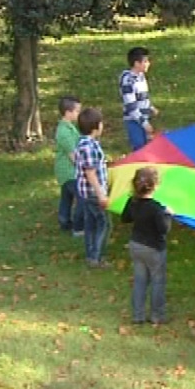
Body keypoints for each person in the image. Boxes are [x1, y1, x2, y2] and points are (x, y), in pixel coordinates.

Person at [121, 167, 174, 325]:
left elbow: (125, 218)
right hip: (154, 249)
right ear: (155, 185)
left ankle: (138, 315)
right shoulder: (156, 208)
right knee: (158, 281)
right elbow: (163, 230)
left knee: (139, 281)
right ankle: (157, 315)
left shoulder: (133, 202)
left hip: (136, 245)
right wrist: (168, 215)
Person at [75, 107, 111, 268]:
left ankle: (90, 254)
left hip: (85, 192)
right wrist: (101, 194)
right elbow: (90, 173)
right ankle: (96, 257)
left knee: (90, 222)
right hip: (93, 192)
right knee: (104, 224)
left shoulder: (84, 143)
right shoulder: (89, 147)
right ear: (96, 127)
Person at [54, 95, 84, 236]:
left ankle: (64, 221)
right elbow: (73, 156)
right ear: (68, 112)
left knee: (66, 197)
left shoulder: (69, 127)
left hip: (66, 172)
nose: (79, 114)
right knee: (81, 198)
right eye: (77, 111)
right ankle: (78, 227)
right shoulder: (64, 132)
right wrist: (84, 168)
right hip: (70, 172)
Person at [120, 46, 158, 151]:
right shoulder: (128, 81)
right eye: (145, 61)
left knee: (148, 147)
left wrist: (150, 107)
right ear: (137, 63)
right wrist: (144, 124)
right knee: (140, 149)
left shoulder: (141, 76)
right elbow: (131, 107)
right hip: (134, 121)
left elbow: (143, 97)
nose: (148, 63)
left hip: (144, 118)